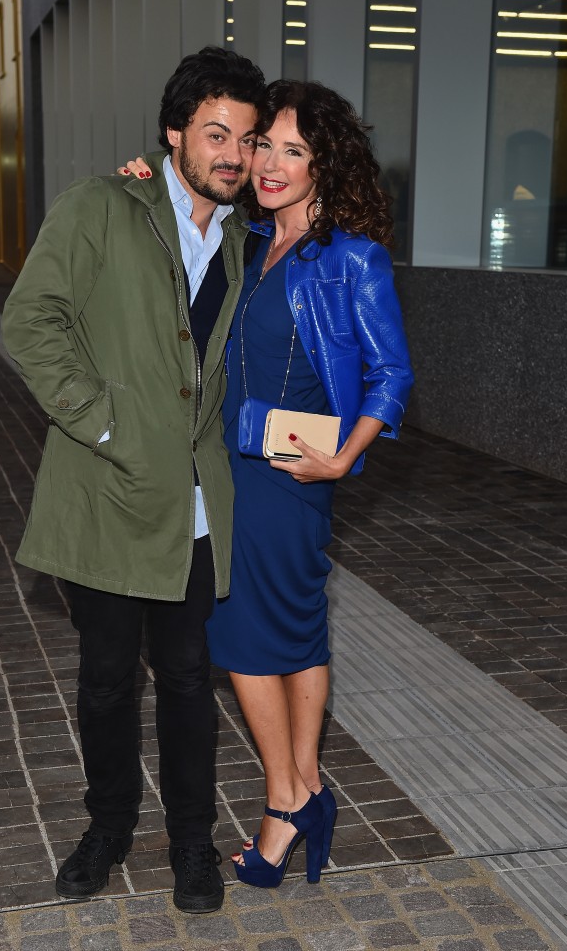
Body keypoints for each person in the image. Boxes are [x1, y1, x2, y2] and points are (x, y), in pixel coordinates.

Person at [119, 78, 413, 889]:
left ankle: (287, 798)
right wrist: (145, 174)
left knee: (252, 637)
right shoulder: (246, 241)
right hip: (224, 464)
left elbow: (392, 373)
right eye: (262, 146)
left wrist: (345, 458)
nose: (270, 164)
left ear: (326, 164)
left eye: (294, 150)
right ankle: (304, 793)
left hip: (288, 475)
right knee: (287, 635)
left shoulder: (351, 258)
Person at [1, 46, 265, 914]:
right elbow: (33, 317)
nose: (232, 153)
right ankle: (108, 827)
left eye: (246, 138)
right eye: (215, 133)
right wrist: (102, 419)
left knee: (188, 678)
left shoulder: (240, 242)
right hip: (111, 494)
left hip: (192, 506)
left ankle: (192, 843)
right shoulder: (100, 207)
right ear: (173, 133)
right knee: (109, 677)